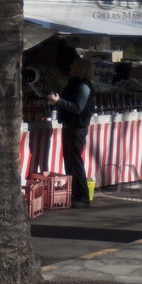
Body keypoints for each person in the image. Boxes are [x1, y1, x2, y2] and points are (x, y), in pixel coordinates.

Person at [48, 42, 95, 207]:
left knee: (75, 161)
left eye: (74, 65)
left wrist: (58, 101)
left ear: (80, 68)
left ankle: (82, 197)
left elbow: (77, 108)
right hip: (70, 126)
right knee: (70, 161)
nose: (71, 67)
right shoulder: (75, 84)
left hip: (77, 128)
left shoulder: (83, 87)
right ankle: (75, 194)